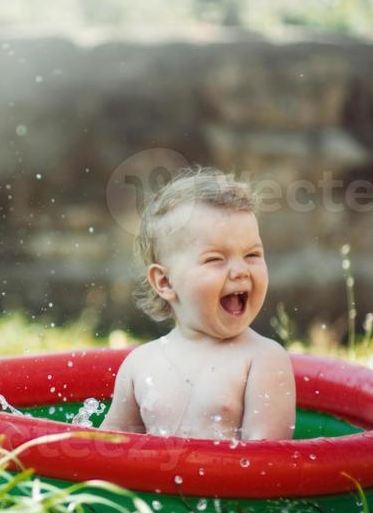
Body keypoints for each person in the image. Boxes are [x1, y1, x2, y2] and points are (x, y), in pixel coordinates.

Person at [99, 167, 295, 441]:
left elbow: (267, 464)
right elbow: (107, 447)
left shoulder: (262, 359)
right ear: (165, 282)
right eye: (215, 259)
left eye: (252, 254)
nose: (240, 270)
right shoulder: (139, 364)